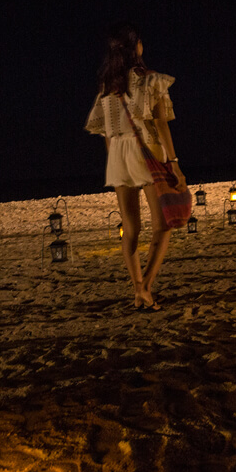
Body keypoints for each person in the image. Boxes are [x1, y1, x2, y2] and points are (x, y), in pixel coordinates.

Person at [84, 22, 185, 310]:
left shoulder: (106, 88)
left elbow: (104, 133)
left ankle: (137, 288)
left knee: (130, 228)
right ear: (134, 48)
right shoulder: (151, 80)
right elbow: (161, 125)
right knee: (163, 224)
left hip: (117, 154)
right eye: (139, 42)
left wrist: (115, 161)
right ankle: (147, 287)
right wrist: (174, 164)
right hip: (147, 150)